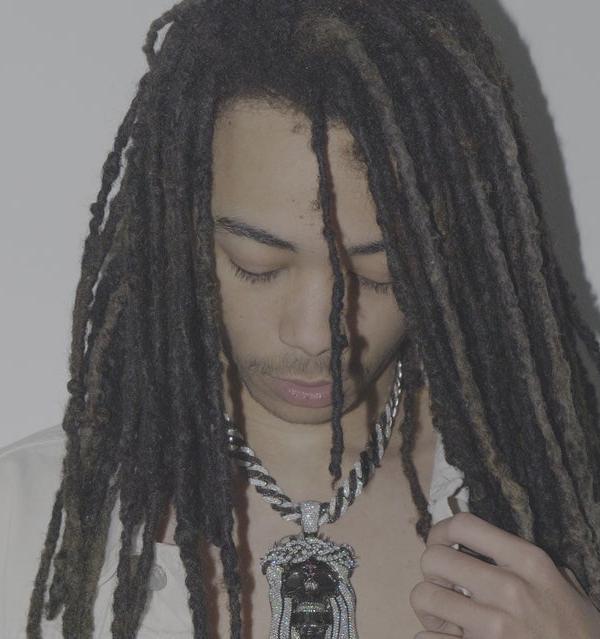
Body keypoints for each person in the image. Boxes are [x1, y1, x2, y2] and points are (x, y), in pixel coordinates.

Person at [2, 0, 600, 637]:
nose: (317, 336)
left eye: (382, 273)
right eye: (258, 266)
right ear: (176, 230)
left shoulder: (577, 494)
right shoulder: (20, 517)